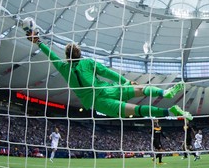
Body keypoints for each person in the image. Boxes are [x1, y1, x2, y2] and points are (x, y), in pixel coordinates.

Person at [26, 31, 193, 120]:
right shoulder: (88, 62)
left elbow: (51, 55)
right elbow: (108, 72)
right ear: (79, 53)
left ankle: (169, 112)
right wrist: (126, 81)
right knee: (140, 90)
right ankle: (165, 92)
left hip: (97, 101)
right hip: (107, 89)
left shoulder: (63, 66)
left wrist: (38, 41)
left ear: (67, 55)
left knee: (135, 111)